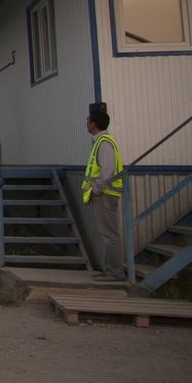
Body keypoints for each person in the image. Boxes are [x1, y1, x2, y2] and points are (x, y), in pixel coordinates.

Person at [81, 103, 125, 281]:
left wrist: (96, 189)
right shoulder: (101, 141)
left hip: (105, 195)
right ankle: (110, 270)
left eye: (88, 120)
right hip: (105, 194)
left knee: (109, 234)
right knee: (107, 234)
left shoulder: (104, 142)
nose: (86, 123)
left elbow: (107, 169)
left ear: (93, 124)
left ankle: (115, 272)